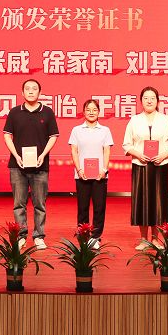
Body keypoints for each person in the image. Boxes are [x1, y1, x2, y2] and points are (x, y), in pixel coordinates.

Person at [3, 78, 59, 249]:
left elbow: (53, 136)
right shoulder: (14, 112)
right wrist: (16, 155)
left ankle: (39, 236)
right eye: (27, 88)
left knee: (39, 204)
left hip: (40, 165)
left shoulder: (47, 112)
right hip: (17, 165)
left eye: (34, 88)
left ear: (40, 93)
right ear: (22, 92)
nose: (31, 91)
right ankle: (21, 235)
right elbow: (7, 135)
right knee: (18, 203)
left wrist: (43, 155)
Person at [122, 86, 168, 249]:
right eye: (146, 98)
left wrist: (163, 155)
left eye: (152, 98)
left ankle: (155, 239)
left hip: (160, 166)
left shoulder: (165, 120)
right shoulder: (134, 120)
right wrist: (138, 154)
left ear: (157, 101)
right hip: (141, 166)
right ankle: (143, 239)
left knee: (158, 203)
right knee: (142, 202)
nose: (149, 101)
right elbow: (126, 144)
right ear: (141, 101)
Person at [67, 98, 113, 248]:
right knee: (83, 208)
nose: (91, 112)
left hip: (100, 175)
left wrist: (104, 169)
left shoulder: (105, 130)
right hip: (82, 175)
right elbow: (74, 150)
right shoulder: (76, 130)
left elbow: (107, 151)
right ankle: (84, 236)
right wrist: (79, 169)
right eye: (88, 110)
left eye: (94, 110)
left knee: (99, 208)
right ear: (83, 112)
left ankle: (96, 238)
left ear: (99, 112)